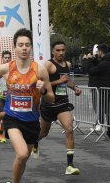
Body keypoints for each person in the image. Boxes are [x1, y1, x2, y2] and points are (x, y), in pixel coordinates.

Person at [0, 28, 54, 183]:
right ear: (15, 47)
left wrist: (42, 90)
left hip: (32, 122)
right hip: (12, 119)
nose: (24, 48)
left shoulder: (39, 70)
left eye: (27, 45)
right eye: (20, 45)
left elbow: (51, 98)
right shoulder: (6, 68)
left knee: (23, 161)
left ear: (31, 47)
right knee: (23, 154)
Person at [35, 41, 82, 175]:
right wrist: (58, 82)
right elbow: (41, 83)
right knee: (43, 133)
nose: (61, 53)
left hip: (62, 103)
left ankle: (69, 166)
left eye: (63, 50)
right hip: (48, 104)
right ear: (53, 51)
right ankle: (35, 142)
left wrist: (75, 88)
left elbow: (66, 80)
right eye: (58, 50)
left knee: (69, 129)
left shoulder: (67, 65)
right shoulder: (48, 65)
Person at [85, 44, 110, 139]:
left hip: (106, 90)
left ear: (101, 51)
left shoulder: (103, 64)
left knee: (108, 111)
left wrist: (89, 60)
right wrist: (96, 60)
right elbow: (103, 67)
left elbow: (91, 71)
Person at [0, 51, 12, 143]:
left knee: (6, 117)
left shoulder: (13, 70)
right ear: (2, 58)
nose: (7, 59)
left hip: (9, 97)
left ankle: (1, 135)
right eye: (5, 57)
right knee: (3, 114)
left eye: (9, 57)